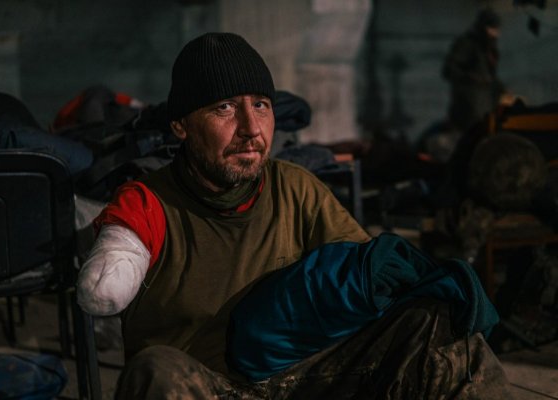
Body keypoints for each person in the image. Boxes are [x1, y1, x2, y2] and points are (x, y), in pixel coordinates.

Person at [77, 32, 514, 399]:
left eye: (261, 105)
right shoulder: (151, 201)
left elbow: (364, 280)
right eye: (225, 107)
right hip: (211, 388)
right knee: (154, 369)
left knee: (441, 332)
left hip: (302, 380)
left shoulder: (295, 187)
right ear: (181, 126)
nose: (251, 128)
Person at [442, 8, 510, 133]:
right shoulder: (467, 44)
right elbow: (449, 70)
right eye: (492, 29)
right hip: (468, 108)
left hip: (485, 106)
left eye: (496, 29)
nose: (496, 34)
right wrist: (472, 79)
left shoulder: (488, 47)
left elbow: (490, 76)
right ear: (484, 28)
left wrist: (502, 90)